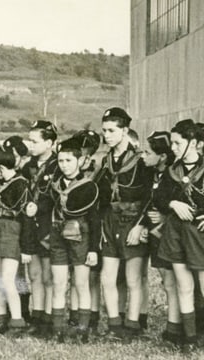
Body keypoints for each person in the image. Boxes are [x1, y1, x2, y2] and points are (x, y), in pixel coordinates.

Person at [97, 107, 152, 340]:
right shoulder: (105, 160)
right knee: (107, 278)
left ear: (125, 130)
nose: (107, 135)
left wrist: (141, 225)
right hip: (110, 221)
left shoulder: (141, 161)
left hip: (133, 221)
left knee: (133, 279)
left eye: (111, 130)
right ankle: (114, 325)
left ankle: (132, 326)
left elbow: (150, 196)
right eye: (104, 131)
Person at [156, 119, 204, 352]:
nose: (173, 147)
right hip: (175, 233)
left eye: (177, 143)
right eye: (172, 143)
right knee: (184, 286)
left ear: (193, 143)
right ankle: (190, 339)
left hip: (200, 235)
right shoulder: (171, 171)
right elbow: (159, 199)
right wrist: (173, 202)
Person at [48, 137, 100, 343]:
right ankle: (58, 330)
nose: (64, 165)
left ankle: (82, 330)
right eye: (61, 161)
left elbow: (95, 221)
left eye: (69, 160)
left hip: (82, 236)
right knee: (59, 282)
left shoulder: (88, 187)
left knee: (81, 283)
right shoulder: (55, 185)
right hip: (57, 234)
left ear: (80, 161)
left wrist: (94, 249)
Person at [0, 141, 33, 337]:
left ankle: (17, 322)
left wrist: (27, 249)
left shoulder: (21, 184)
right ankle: (0, 318)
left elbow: (27, 219)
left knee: (7, 279)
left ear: (1, 168)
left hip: (11, 232)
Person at [141, 130, 181, 345]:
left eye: (148, 152)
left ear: (163, 156)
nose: (143, 156)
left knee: (173, 282)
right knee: (167, 281)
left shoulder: (174, 175)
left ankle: (175, 328)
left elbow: (181, 203)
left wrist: (166, 217)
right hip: (155, 234)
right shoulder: (150, 175)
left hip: (171, 235)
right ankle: (173, 326)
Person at [22, 120, 59, 335]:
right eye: (29, 140)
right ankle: (36, 316)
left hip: (49, 224)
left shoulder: (58, 165)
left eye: (35, 141)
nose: (31, 145)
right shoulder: (29, 166)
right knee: (34, 274)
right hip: (31, 225)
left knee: (48, 276)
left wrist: (40, 206)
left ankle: (48, 318)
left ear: (49, 143)